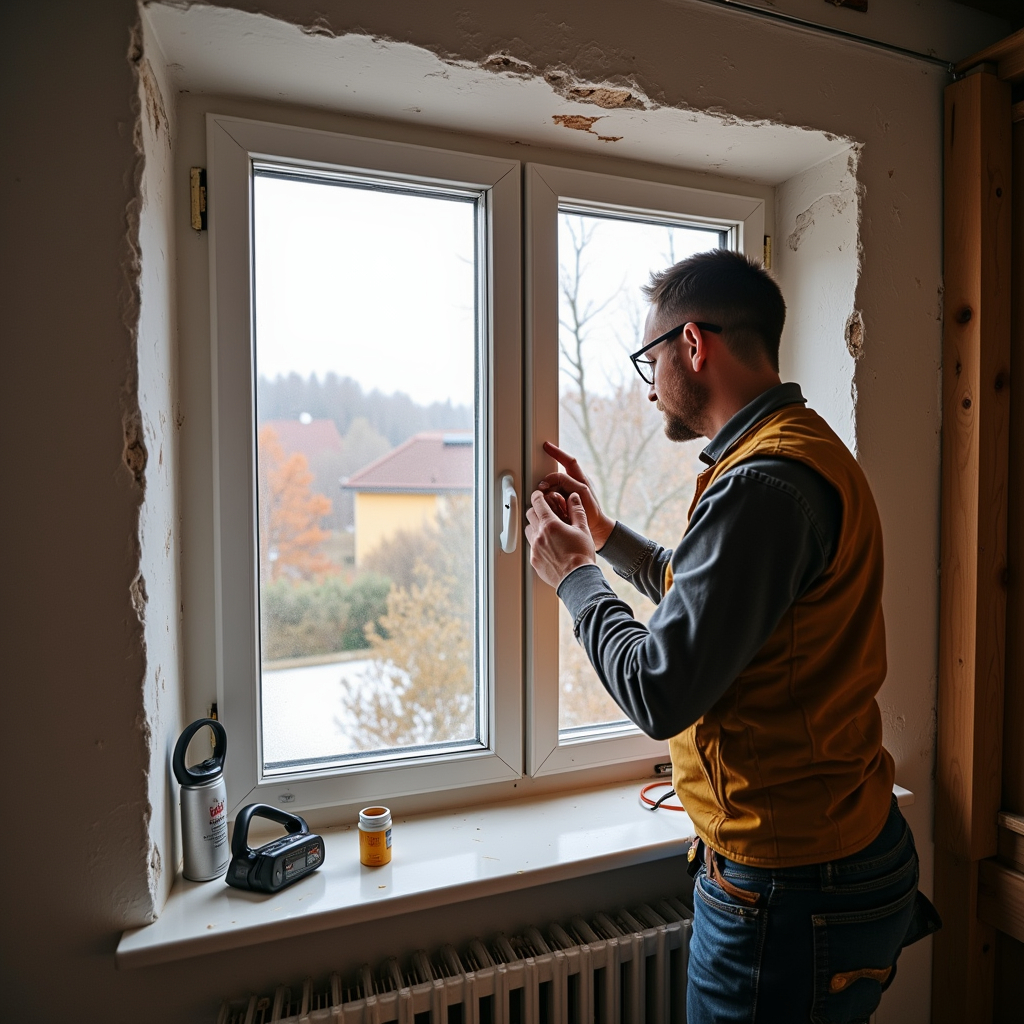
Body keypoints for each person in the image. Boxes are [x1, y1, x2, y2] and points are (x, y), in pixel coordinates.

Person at [523, 249, 938, 1024]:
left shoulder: (762, 485)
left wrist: (574, 578)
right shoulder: (793, 448)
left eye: (650, 360)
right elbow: (711, 590)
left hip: (791, 891)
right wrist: (605, 536)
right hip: (842, 847)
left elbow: (660, 688)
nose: (648, 388)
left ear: (692, 345)